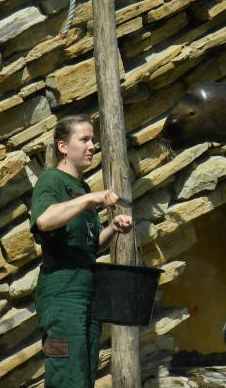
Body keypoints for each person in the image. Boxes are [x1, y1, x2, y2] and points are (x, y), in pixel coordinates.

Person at [30, 114, 133, 388]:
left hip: (88, 296)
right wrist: (90, 199)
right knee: (66, 375)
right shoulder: (51, 180)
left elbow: (89, 245)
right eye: (84, 139)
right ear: (63, 147)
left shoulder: (81, 188)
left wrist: (113, 227)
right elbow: (43, 221)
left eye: (93, 140)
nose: (92, 146)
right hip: (61, 297)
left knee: (85, 376)